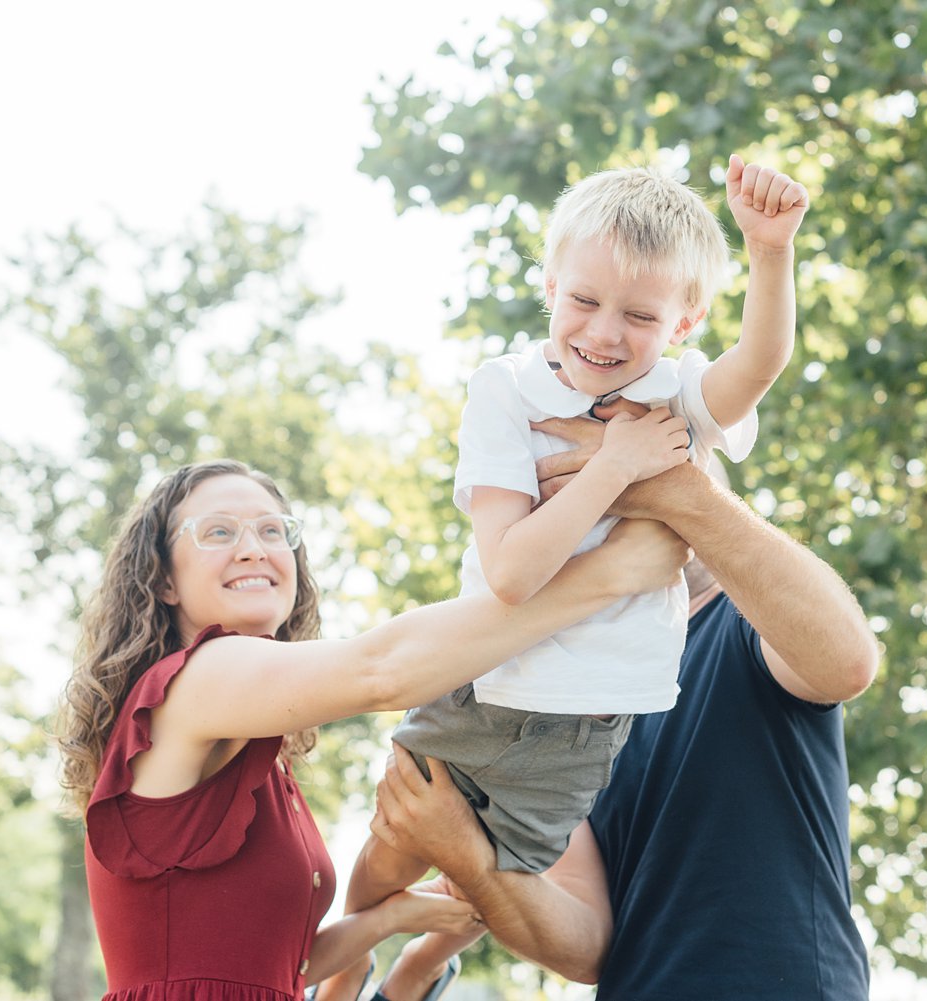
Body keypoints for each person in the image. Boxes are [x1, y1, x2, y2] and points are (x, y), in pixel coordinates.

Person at [319, 153, 810, 1001]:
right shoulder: (508, 389)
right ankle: (339, 988)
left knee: (484, 886)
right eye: (583, 300)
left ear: (685, 321)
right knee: (385, 860)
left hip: (586, 730)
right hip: (487, 684)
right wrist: (615, 465)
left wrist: (771, 253)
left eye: (640, 314)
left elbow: (757, 365)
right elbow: (512, 573)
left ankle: (420, 974)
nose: (605, 333)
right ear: (549, 284)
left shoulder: (677, 394)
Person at [55, 458, 689, 1001]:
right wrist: (609, 574)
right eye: (218, 531)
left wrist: (394, 917)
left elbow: (277, 968)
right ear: (163, 579)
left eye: (273, 531)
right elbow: (382, 671)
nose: (253, 547)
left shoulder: (252, 753)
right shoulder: (197, 679)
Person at [368, 412, 879, 1000]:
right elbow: (586, 945)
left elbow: (846, 662)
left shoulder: (746, 625)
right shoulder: (555, 702)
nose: (628, 478)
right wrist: (468, 859)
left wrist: (680, 493)